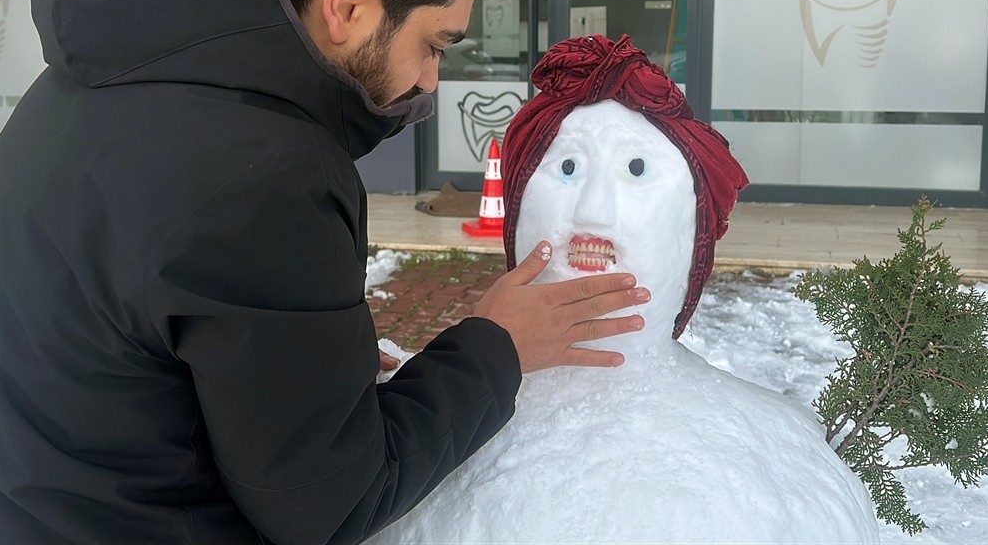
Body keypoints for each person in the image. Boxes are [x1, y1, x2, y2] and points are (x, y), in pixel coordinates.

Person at [0, 0, 649, 544]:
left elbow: (114, 332)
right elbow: (331, 505)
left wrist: (283, 366)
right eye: (436, 42)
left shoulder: (106, 69)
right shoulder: (266, 172)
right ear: (352, 3)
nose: (431, 81)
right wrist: (496, 344)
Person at [369, 36, 879, 544]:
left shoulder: (773, 473)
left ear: (689, 232)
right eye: (567, 168)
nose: (593, 211)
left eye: (636, 170)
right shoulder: (420, 422)